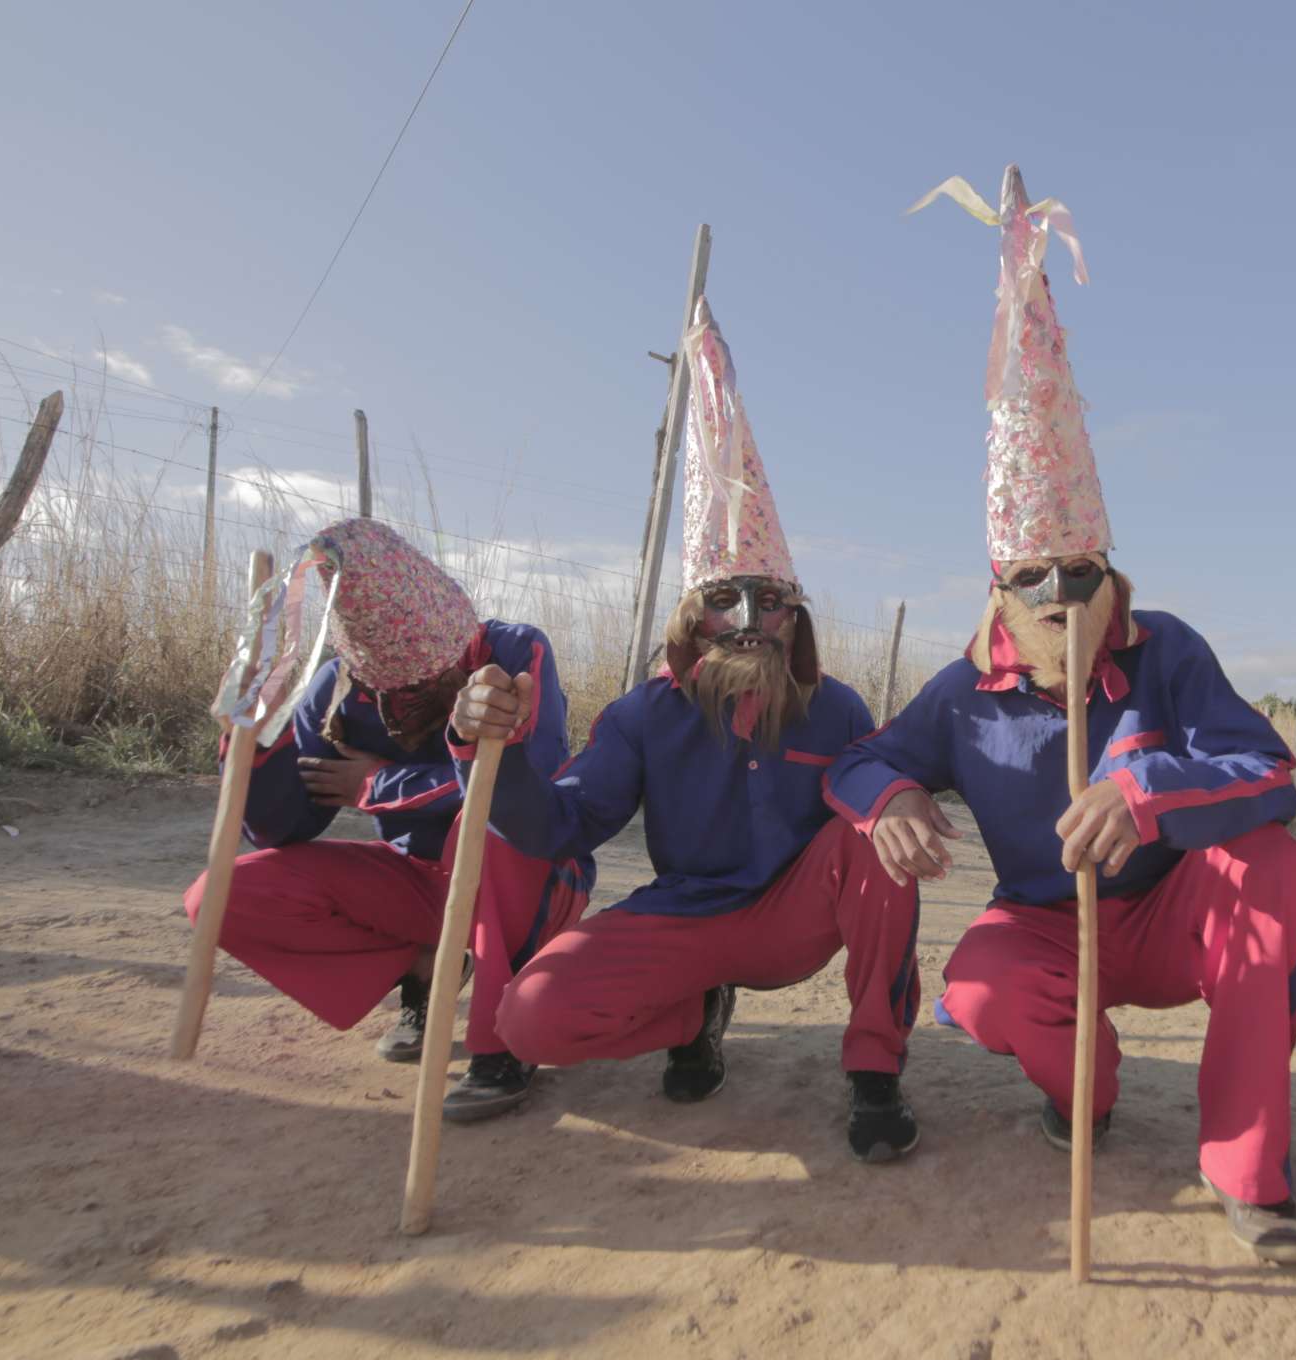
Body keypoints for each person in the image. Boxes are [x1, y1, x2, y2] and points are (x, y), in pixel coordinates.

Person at [827, 168, 1296, 1263]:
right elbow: (863, 761)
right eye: (1033, 580)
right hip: (1052, 927)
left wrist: (1145, 791)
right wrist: (894, 797)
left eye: (1079, 573)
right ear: (998, 593)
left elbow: (1266, 777)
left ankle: (1245, 1169)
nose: (1058, 599)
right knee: (981, 979)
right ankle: (1087, 1094)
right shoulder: (967, 685)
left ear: (1111, 574)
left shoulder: (1169, 649)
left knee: (1277, 877)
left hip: (1168, 920)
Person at [452, 299, 925, 1163]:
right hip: (685, 916)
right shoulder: (641, 715)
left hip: (790, 921)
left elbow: (867, 779)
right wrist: (496, 745)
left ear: (795, 616)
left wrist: (891, 793)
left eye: (769, 599)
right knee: (530, 1019)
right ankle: (694, 1011)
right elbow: (556, 825)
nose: (747, 620)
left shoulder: (839, 708)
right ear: (690, 616)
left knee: (877, 834)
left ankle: (874, 1069)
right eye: (722, 600)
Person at [181, 518, 591, 1123]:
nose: (410, 697)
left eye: (427, 678)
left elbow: (527, 794)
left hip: (530, 877)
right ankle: (426, 969)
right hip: (418, 881)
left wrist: (374, 784)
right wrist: (254, 737)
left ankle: (501, 1041)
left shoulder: (514, 651)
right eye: (395, 688)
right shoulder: (337, 689)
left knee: (490, 831)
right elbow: (281, 828)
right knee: (223, 894)